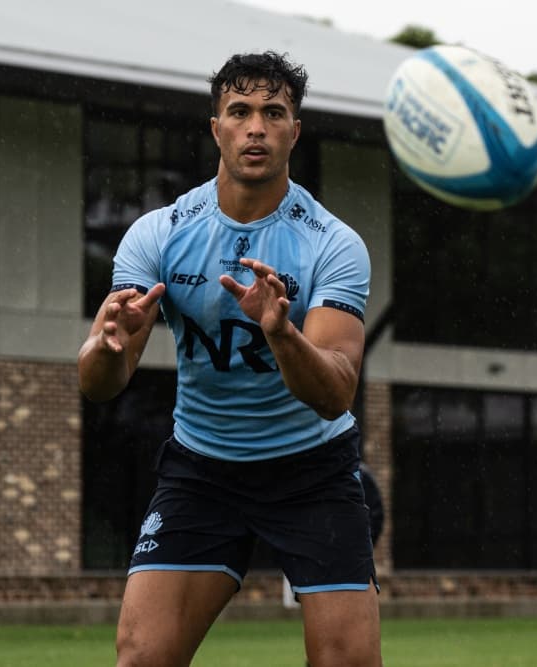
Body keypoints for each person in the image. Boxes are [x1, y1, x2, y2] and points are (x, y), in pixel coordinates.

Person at [78, 51, 380, 667]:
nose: (256, 127)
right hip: (203, 469)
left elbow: (336, 392)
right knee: (142, 657)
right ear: (216, 127)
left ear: (295, 132)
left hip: (313, 471)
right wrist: (105, 346)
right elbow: (100, 385)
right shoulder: (157, 233)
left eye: (274, 113)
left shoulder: (332, 243)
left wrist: (283, 333)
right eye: (239, 112)